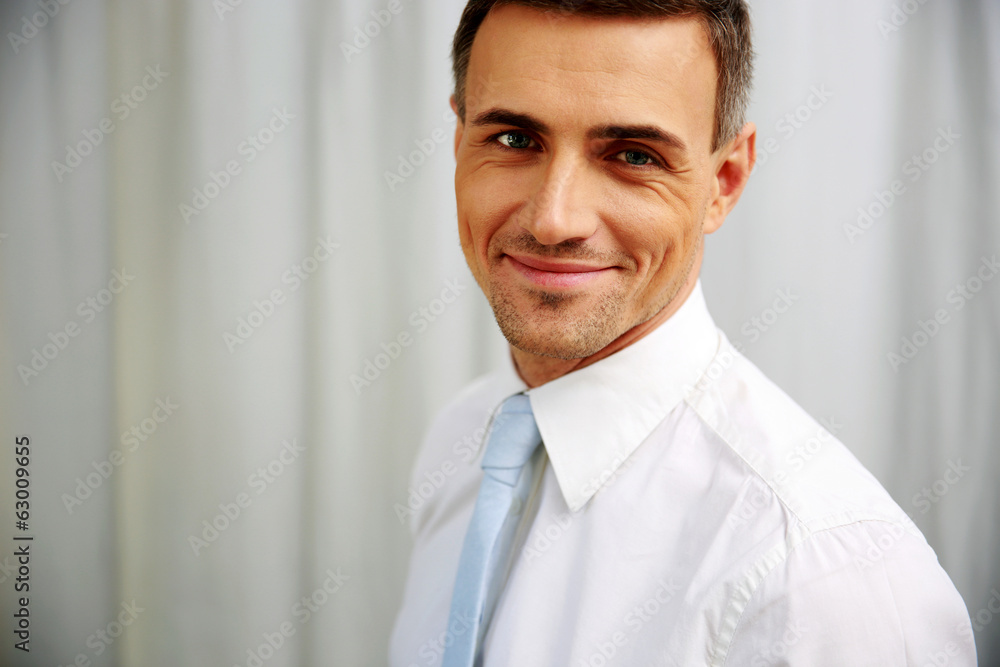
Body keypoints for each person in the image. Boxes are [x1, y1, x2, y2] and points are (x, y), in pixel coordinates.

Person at [390, 1, 976, 665]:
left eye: (634, 155)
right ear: (459, 139)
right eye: (515, 140)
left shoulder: (819, 575)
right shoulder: (462, 438)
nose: (555, 219)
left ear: (724, 182)